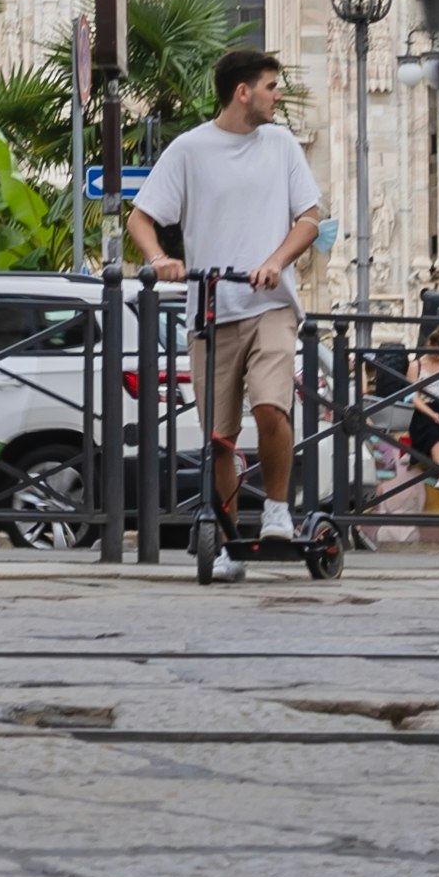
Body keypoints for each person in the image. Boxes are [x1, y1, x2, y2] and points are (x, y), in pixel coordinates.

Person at [130, 47, 325, 548]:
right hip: (211, 308)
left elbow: (309, 218)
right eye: (271, 87)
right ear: (243, 92)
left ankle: (279, 511)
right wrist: (158, 259)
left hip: (270, 303)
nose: (278, 96)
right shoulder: (190, 150)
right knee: (220, 436)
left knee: (270, 407)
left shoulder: (281, 145)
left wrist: (275, 262)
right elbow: (141, 217)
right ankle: (228, 536)